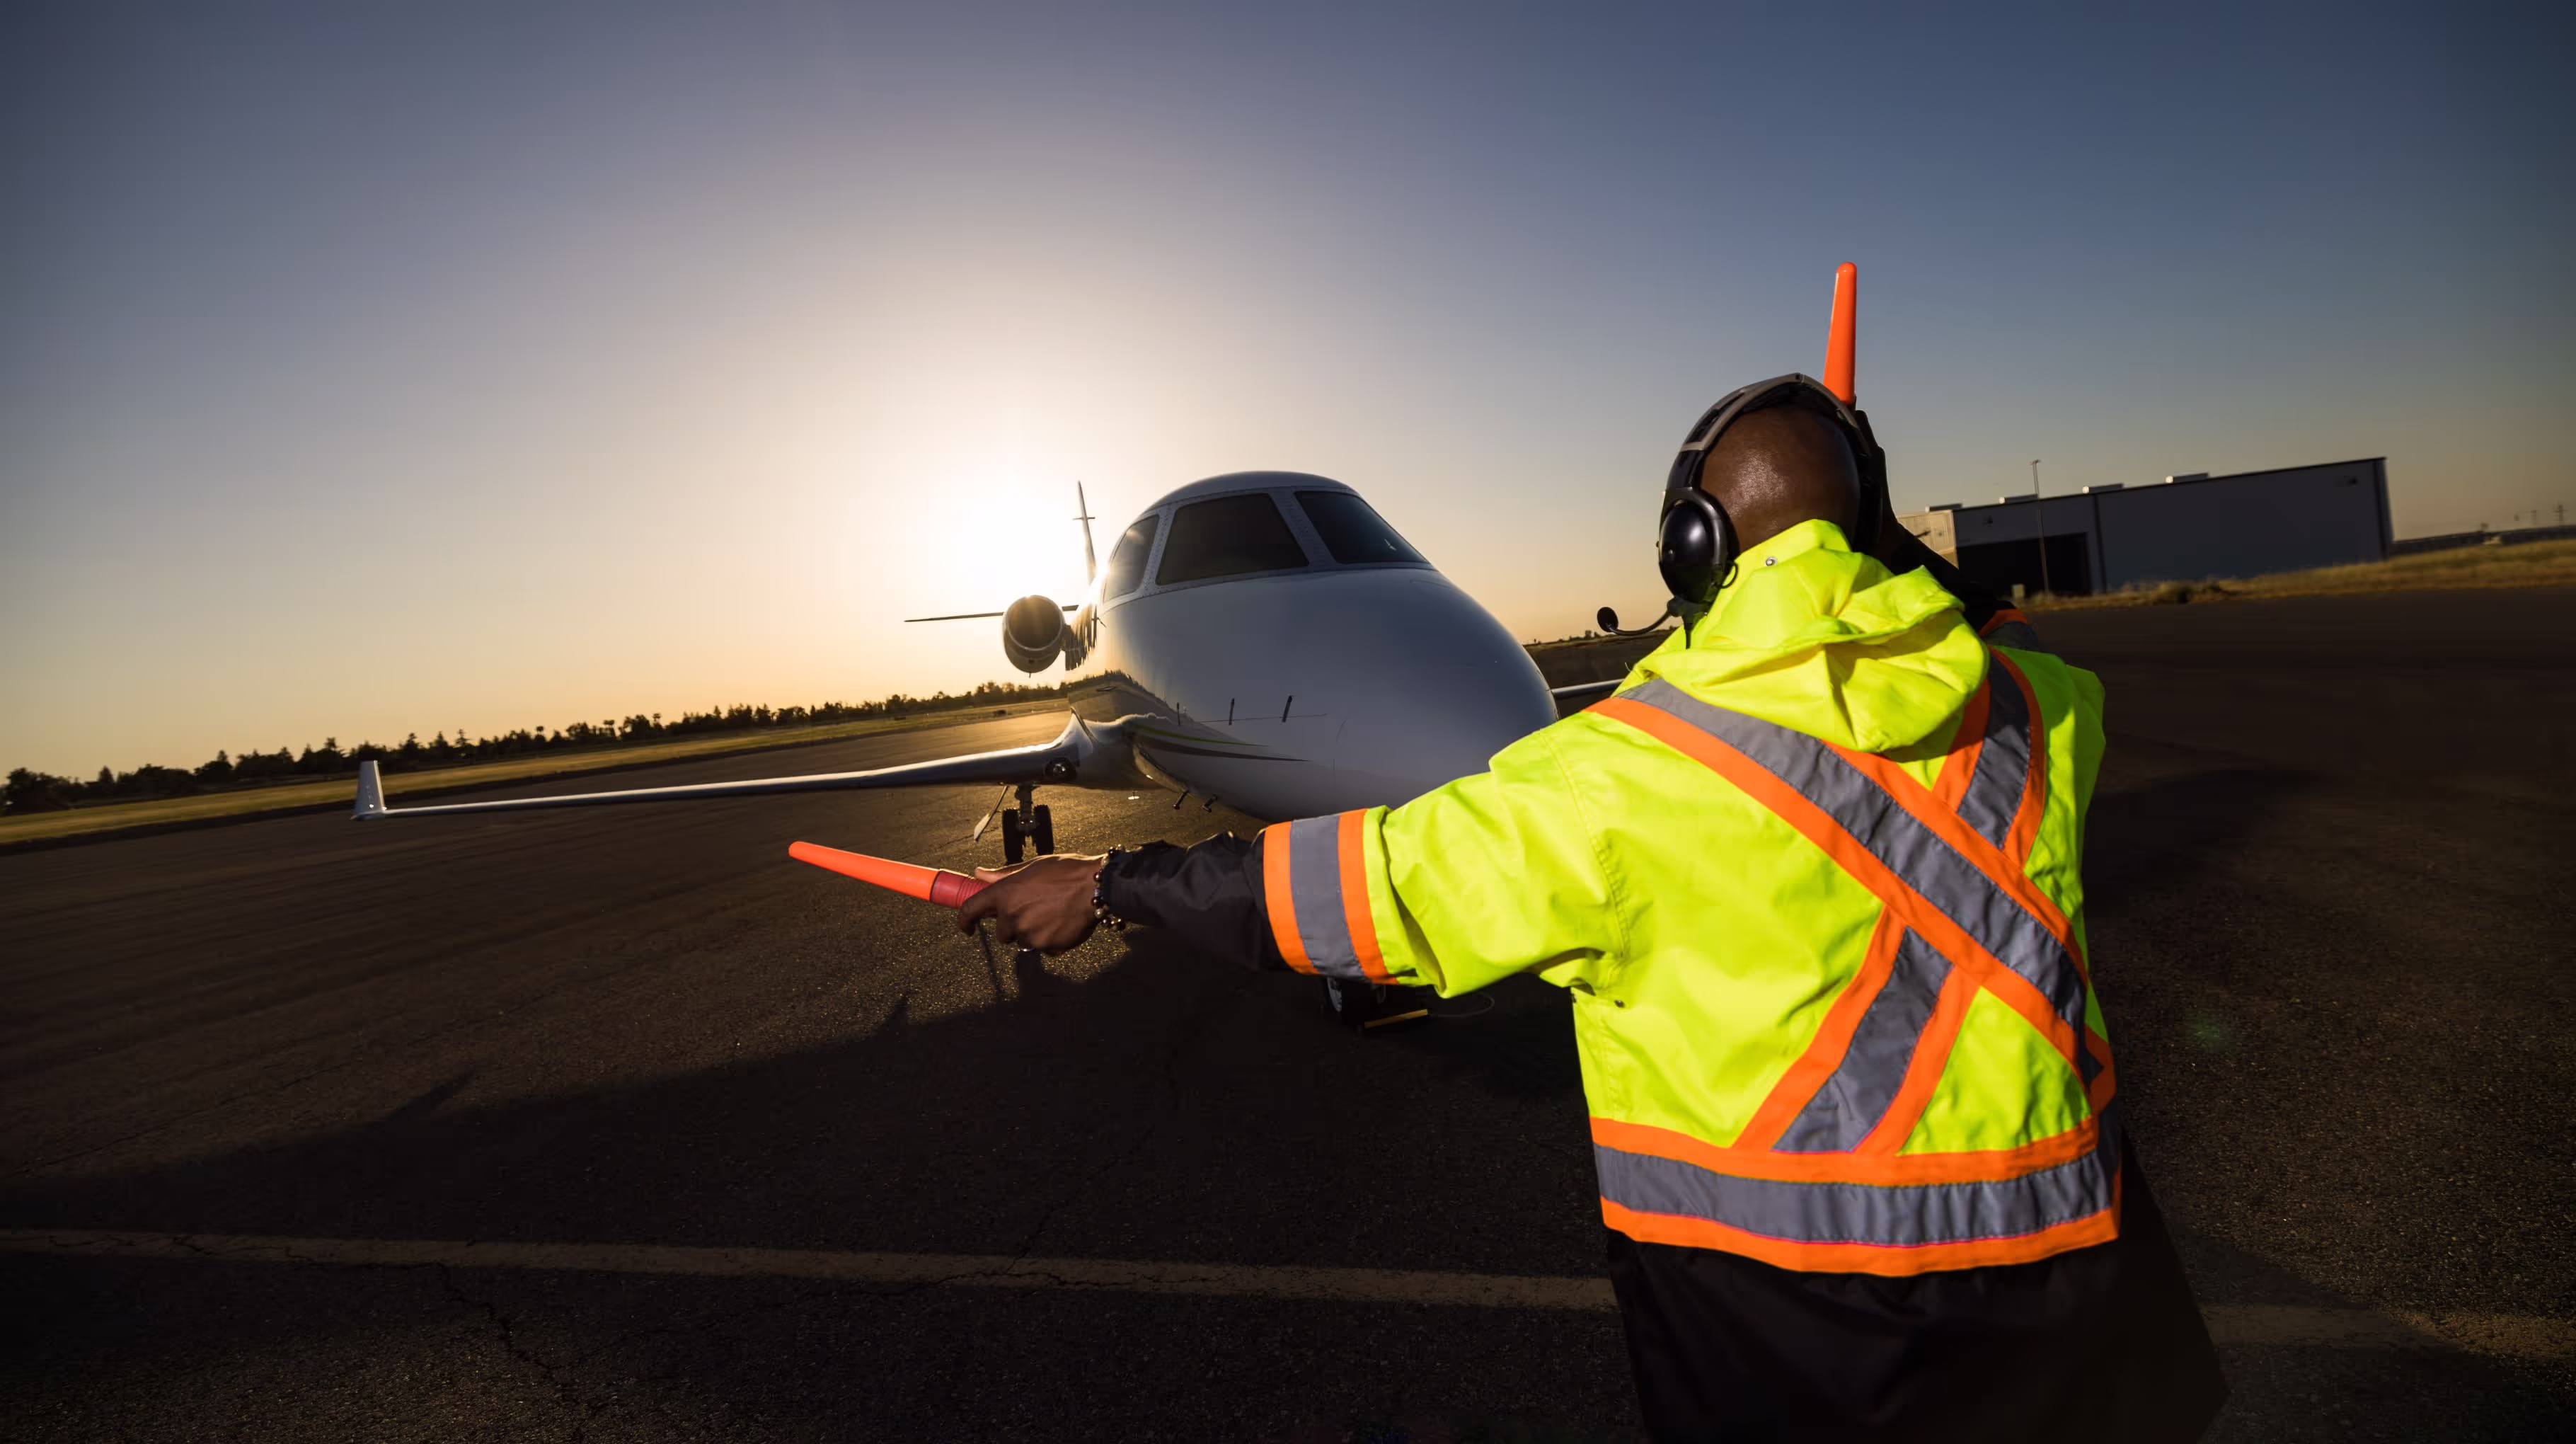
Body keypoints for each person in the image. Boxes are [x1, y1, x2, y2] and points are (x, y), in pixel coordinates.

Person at [961, 384, 2226, 1442]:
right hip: (2092, 1336)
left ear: (1694, 549)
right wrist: (1878, 538)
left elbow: (1369, 885)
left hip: (1803, 1350)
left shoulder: (1624, 777)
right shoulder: (2040, 719)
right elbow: (1995, 635)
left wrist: (1113, 882)